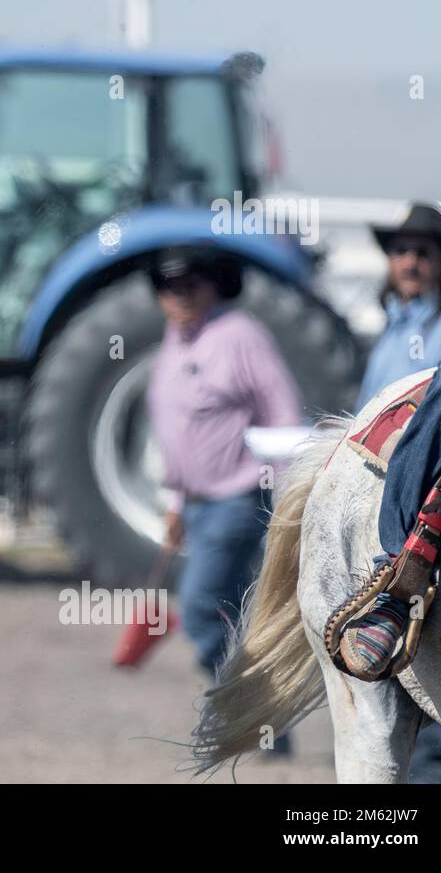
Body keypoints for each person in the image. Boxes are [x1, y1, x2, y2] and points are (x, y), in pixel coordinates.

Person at [347, 202, 441, 782]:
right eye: (403, 250)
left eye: (424, 251)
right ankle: (398, 577)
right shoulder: (395, 327)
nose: (411, 261)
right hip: (385, 484)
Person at [145, 247, 302, 677]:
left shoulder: (240, 335)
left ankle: (232, 704)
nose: (179, 296)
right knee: (232, 614)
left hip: (236, 500)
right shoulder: (172, 342)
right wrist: (176, 505)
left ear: (213, 286)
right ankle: (261, 723)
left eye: (190, 284)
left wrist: (288, 502)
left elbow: (283, 412)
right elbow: (179, 432)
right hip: (195, 505)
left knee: (198, 608)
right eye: (168, 287)